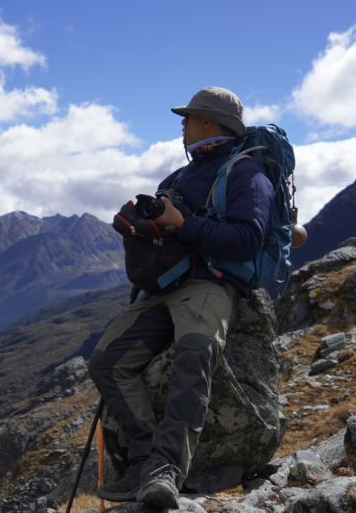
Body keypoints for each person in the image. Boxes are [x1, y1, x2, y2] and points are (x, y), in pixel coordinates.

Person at [87, 86, 272, 508]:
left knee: (195, 353)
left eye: (187, 119)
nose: (183, 127)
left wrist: (182, 223)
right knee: (107, 361)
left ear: (207, 122)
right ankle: (144, 459)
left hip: (212, 281)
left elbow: (247, 240)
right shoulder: (178, 177)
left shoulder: (247, 174)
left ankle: (165, 470)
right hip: (167, 282)